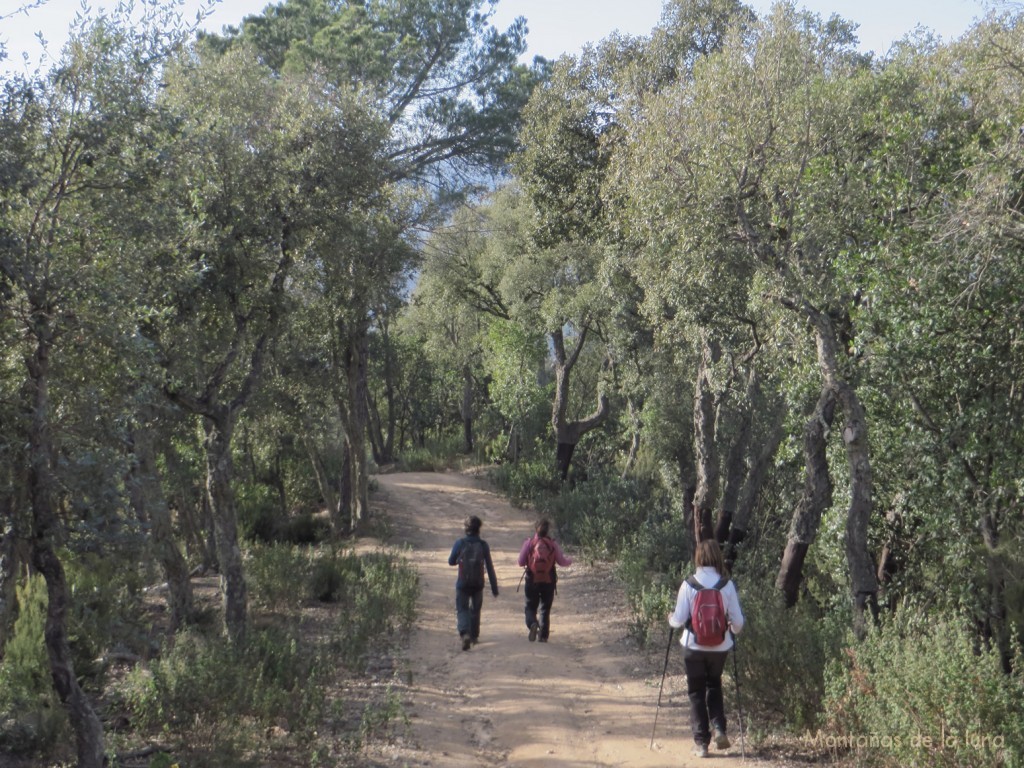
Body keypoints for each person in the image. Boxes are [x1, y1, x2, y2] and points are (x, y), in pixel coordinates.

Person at [668, 539, 745, 759]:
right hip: (720, 647)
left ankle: (702, 744)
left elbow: (679, 618)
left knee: (696, 692)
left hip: (693, 645)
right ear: (717, 558)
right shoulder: (726, 585)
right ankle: (719, 728)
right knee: (714, 685)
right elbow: (737, 622)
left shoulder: (689, 584)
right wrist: (732, 630)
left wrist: (671, 620)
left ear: (699, 558)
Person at [516, 518, 572, 643]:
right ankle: (543, 635)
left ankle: (532, 624)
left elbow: (520, 562)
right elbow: (562, 562)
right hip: (548, 580)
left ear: (536, 529)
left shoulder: (529, 543)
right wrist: (570, 560)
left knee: (530, 606)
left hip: (532, 580)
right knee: (545, 608)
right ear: (548, 530)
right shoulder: (552, 544)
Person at [448, 515, 499, 651]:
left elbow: (451, 561)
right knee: (475, 610)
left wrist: (459, 559)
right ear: (479, 529)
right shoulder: (483, 545)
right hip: (478, 584)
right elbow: (489, 567)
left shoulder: (460, 543)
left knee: (462, 608)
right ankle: (474, 636)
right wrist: (494, 588)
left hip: (462, 583)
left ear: (466, 529)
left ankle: (465, 633)